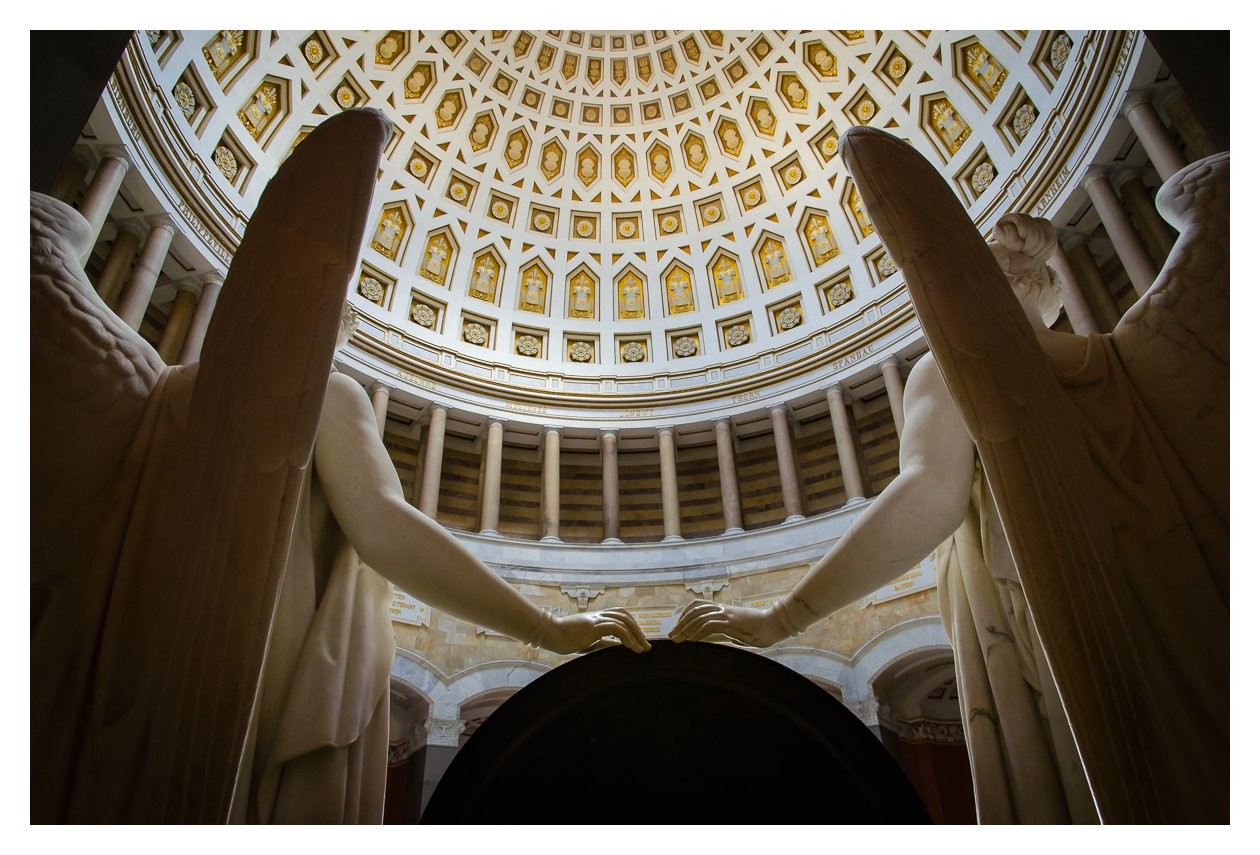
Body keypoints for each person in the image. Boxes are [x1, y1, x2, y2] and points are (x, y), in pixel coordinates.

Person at [671, 214, 1097, 822]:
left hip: (1038, 607)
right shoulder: (1113, 359)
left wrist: (783, 616)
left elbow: (930, 493)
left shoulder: (957, 366)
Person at [235, 306, 649, 822]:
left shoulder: (176, 394)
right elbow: (383, 525)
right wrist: (546, 627)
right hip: (290, 682)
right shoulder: (327, 393)